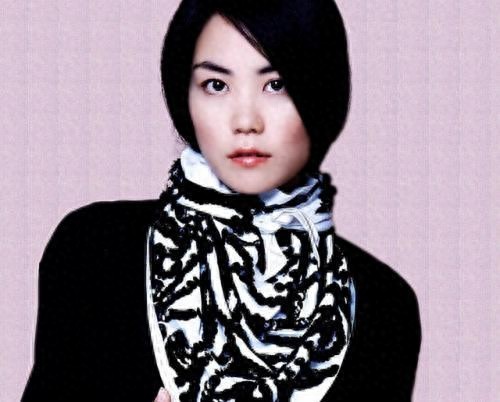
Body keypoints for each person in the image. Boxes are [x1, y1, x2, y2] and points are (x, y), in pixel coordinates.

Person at [22, 0, 421, 401]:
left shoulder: (384, 307)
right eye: (216, 85)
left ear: (321, 94)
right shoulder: (94, 250)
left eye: (276, 84)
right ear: (185, 97)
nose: (246, 121)